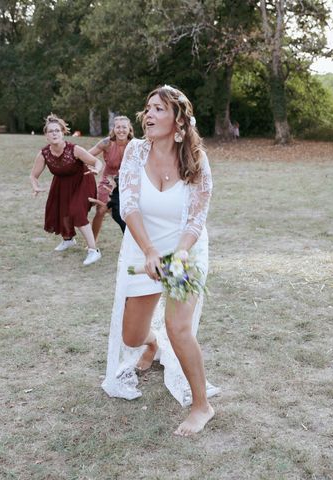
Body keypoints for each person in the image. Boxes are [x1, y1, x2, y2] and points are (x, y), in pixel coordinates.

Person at [101, 85, 218, 436]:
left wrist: (179, 253)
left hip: (185, 250)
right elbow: (129, 207)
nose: (148, 115)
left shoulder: (196, 158)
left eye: (159, 109)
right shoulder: (136, 151)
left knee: (178, 328)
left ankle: (201, 405)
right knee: (132, 335)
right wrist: (150, 252)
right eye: (147, 108)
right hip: (142, 248)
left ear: (178, 120)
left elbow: (198, 218)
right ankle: (152, 346)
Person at [30, 114, 104, 266]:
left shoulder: (74, 149)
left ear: (63, 133)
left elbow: (96, 161)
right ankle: (68, 239)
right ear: (46, 135)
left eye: (57, 130)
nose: (54, 133)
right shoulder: (44, 154)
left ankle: (93, 251)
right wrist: (35, 185)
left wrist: (97, 170)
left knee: (76, 212)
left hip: (82, 181)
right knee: (60, 211)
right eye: (51, 131)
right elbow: (33, 175)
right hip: (61, 183)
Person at [88, 116, 134, 239]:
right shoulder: (106, 143)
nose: (121, 130)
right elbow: (86, 156)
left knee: (127, 214)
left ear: (129, 129)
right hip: (108, 182)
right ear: (113, 129)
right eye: (118, 127)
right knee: (101, 211)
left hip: (127, 184)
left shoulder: (134, 145)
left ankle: (131, 241)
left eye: (124, 127)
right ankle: (92, 243)